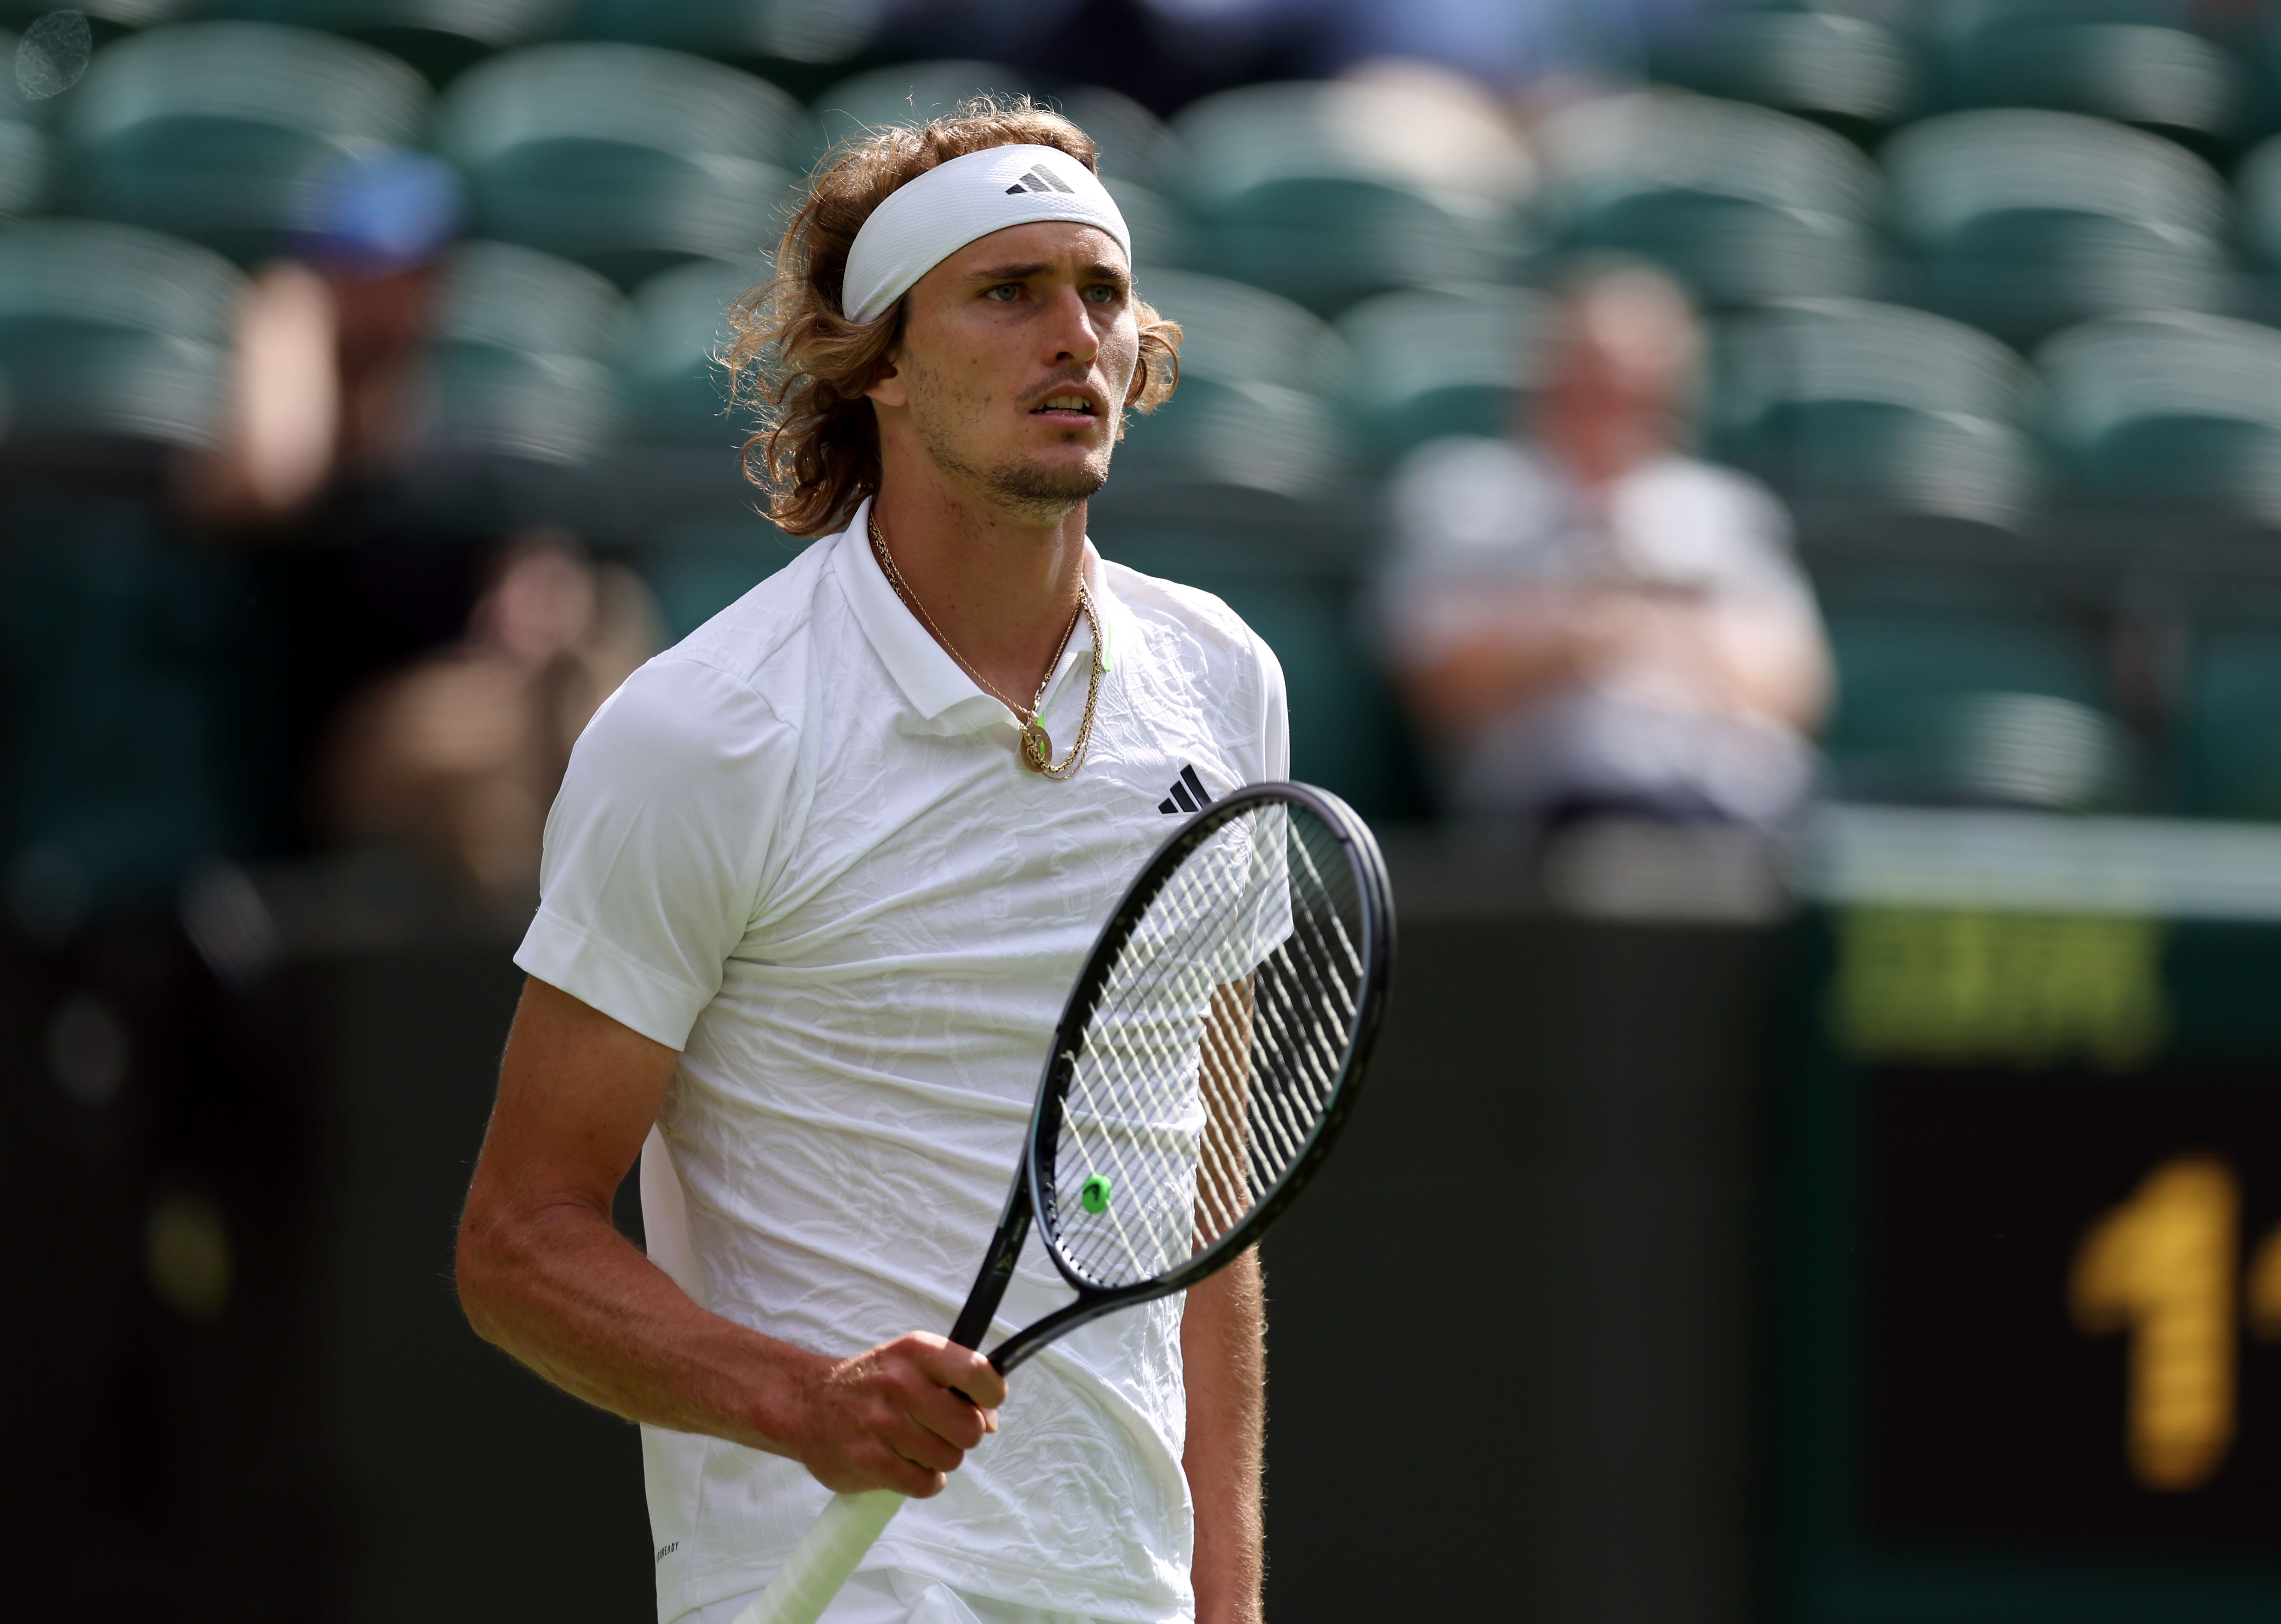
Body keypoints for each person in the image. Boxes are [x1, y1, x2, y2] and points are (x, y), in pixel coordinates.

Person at [454, 102, 1282, 1624]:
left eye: (1098, 293)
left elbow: (1203, 1207)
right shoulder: (707, 733)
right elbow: (517, 1240)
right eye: (1005, 291)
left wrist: (1225, 1601)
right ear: (882, 365)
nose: (1073, 338)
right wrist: (801, 1401)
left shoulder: (1221, 682)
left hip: (1123, 1590)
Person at [1377, 263, 1832, 829]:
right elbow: (1437, 680)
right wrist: (1575, 634)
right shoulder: (1465, 494)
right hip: (1551, 811)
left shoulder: (1725, 509)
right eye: (1587, 386)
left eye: (1635, 390)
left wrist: (1643, 623)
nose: (1609, 408)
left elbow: (1791, 689)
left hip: (1727, 809)